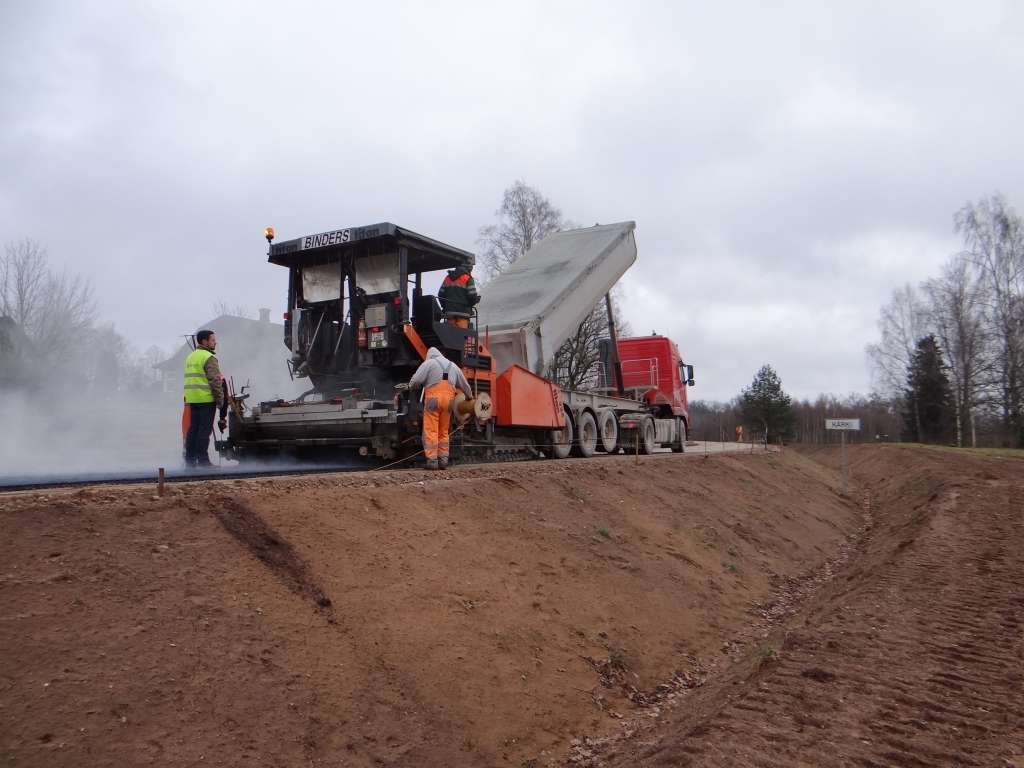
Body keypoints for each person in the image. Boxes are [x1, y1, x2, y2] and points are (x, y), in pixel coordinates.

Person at [408, 347, 473, 470]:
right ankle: (443, 461)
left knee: (431, 430)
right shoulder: (453, 366)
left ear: (429, 356)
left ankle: (432, 461)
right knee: (443, 431)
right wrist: (470, 397)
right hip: (449, 402)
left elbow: (416, 381)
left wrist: (410, 386)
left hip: (433, 400)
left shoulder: (428, 363)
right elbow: (465, 384)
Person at [183, 329, 225, 468]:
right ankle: (203, 461)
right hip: (206, 399)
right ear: (204, 341)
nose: (215, 342)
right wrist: (220, 400)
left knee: (193, 429)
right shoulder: (208, 357)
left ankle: (190, 460)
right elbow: (215, 380)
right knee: (204, 431)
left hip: (192, 399)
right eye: (212, 340)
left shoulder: (191, 356)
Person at [437, 263, 480, 328]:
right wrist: (475, 301)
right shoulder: (468, 278)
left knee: (449, 334)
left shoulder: (447, 278)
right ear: (469, 269)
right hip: (463, 313)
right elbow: (472, 296)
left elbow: (440, 294)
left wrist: (445, 306)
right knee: (462, 335)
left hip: (449, 313)